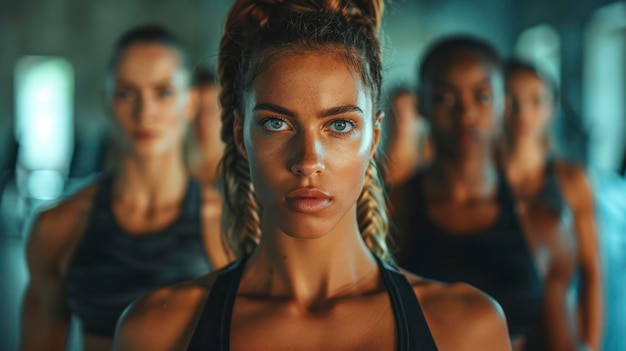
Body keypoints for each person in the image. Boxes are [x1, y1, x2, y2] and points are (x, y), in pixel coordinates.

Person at [113, 2, 511, 350]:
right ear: (239, 134)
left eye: (338, 126)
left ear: (373, 137)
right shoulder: (156, 331)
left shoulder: (467, 330)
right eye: (276, 123)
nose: (307, 161)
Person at [20, 24, 230, 351]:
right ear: (107, 101)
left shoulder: (226, 224)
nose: (144, 112)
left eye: (163, 92)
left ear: (189, 103)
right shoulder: (57, 226)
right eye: (126, 93)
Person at [392, 36, 579, 351]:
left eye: (481, 96)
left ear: (503, 103)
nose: (466, 114)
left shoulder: (543, 226)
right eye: (445, 98)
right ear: (422, 105)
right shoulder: (391, 212)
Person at [500, 59, 603, 351]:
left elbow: (592, 270)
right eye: (511, 99)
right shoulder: (481, 184)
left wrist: (591, 345)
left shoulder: (572, 181)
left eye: (536, 100)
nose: (524, 112)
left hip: (560, 336)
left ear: (552, 107)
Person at [381, 86, 433, 187]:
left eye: (407, 108)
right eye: (397, 109)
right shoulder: (380, 160)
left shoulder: (430, 152)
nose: (402, 115)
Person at [188, 65, 224, 186]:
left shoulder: (241, 171)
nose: (203, 121)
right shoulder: (179, 170)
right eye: (197, 111)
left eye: (211, 111)